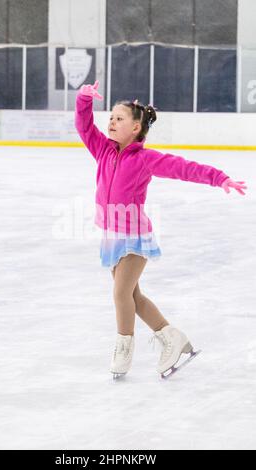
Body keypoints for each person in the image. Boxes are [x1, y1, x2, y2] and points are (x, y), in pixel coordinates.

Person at [74, 80, 247, 379]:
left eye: (119, 118)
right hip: (112, 236)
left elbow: (183, 167)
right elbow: (85, 127)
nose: (112, 122)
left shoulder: (144, 158)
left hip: (134, 236)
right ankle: (173, 339)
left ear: (136, 128)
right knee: (133, 297)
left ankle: (124, 350)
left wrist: (219, 178)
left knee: (120, 295)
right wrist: (83, 99)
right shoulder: (103, 150)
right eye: (111, 117)